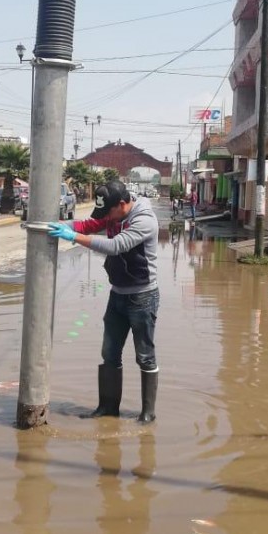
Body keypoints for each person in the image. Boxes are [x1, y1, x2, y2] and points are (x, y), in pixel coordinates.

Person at [49, 180, 160, 423]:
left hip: (142, 296)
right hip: (117, 294)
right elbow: (89, 224)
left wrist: (73, 237)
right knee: (109, 352)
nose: (106, 218)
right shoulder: (113, 214)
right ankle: (108, 409)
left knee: (145, 356)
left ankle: (148, 413)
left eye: (108, 212)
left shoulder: (144, 221)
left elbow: (115, 246)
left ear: (121, 204)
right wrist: (60, 225)